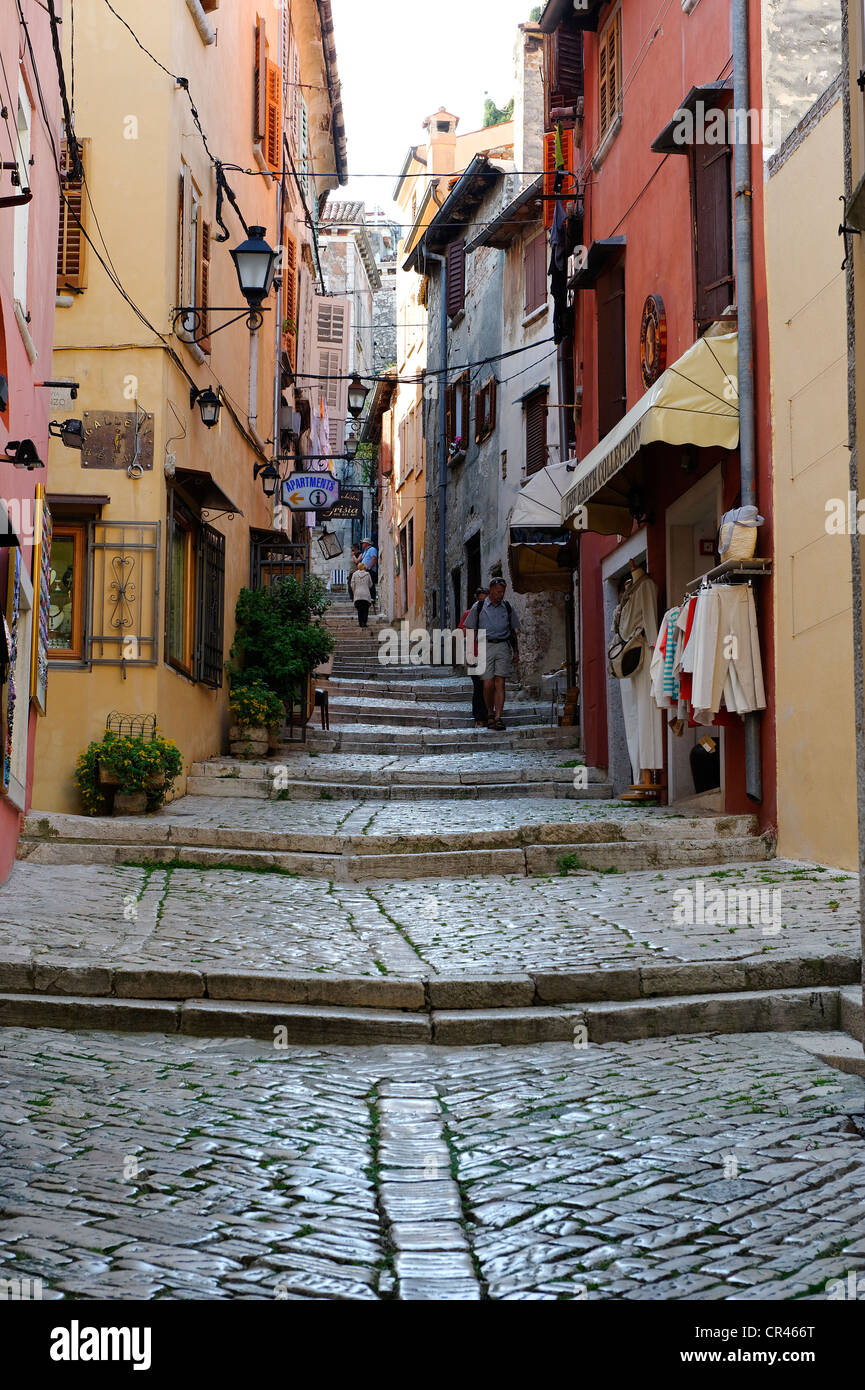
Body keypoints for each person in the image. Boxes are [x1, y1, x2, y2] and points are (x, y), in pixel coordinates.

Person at [464, 577, 520, 730]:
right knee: (487, 684)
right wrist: (469, 652)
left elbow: (513, 631)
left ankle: (498, 717)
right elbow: (470, 629)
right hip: (484, 645)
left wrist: (516, 651)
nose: (500, 595)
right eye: (497, 592)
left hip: (502, 645)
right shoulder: (479, 606)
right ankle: (489, 711)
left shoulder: (507, 607)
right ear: (491, 590)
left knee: (500, 682)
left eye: (502, 592)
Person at [459, 587, 489, 727]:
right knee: (478, 686)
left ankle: (489, 714)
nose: (483, 602)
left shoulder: (491, 613)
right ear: (476, 599)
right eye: (481, 599)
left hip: (489, 654)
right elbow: (462, 632)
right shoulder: (469, 613)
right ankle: (479, 716)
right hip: (474, 654)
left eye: (485, 599)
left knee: (488, 686)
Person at [350, 562, 374, 628]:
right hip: (366, 594)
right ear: (364, 567)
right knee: (365, 609)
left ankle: (360, 623)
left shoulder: (354, 574)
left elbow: (352, 585)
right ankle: (364, 622)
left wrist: (355, 591)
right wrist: (366, 587)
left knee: (359, 610)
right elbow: (370, 584)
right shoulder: (367, 574)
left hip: (357, 594)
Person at [360, 537, 378, 606]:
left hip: (370, 570)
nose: (362, 544)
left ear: (367, 544)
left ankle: (372, 598)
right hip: (365, 570)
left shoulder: (372, 549)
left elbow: (374, 558)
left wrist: (369, 567)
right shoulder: (365, 551)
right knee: (366, 585)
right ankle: (367, 598)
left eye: (363, 543)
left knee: (371, 584)